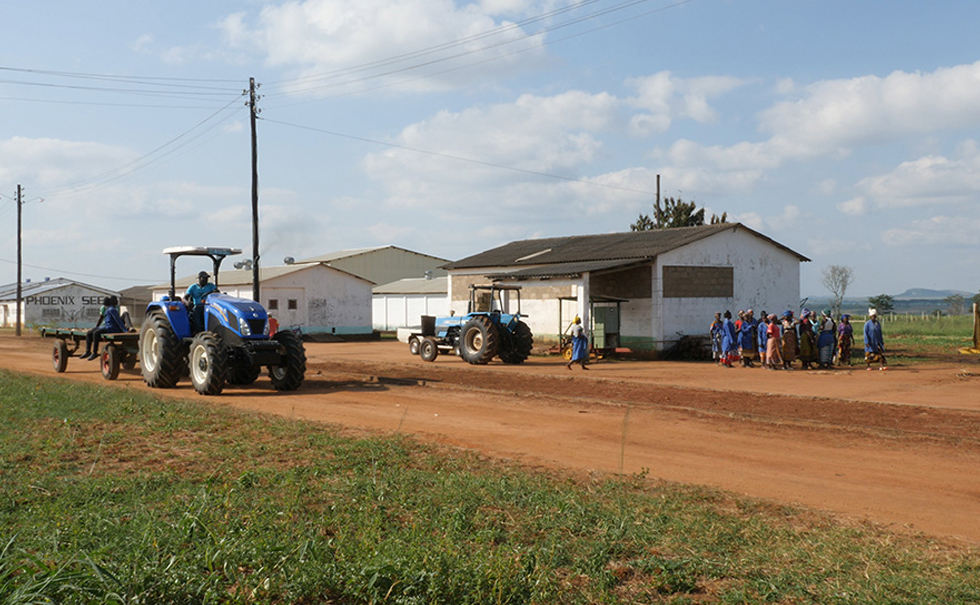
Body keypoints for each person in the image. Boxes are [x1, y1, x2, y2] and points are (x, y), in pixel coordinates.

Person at [80, 296, 126, 360]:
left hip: (111, 328)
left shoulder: (111, 309)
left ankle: (94, 352)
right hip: (107, 326)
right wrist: (97, 327)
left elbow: (118, 320)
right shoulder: (108, 309)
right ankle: (88, 351)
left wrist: (124, 330)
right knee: (89, 333)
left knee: (96, 333)